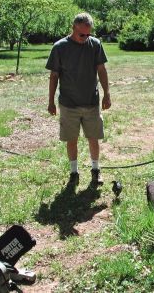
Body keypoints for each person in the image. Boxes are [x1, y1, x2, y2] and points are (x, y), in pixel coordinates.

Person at [46, 13, 111, 187]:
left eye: (88, 34)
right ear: (73, 28)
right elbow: (54, 76)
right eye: (82, 34)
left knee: (93, 138)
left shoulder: (95, 45)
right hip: (69, 104)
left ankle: (96, 170)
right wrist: (51, 101)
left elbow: (101, 70)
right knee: (71, 139)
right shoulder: (60, 47)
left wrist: (107, 94)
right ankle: (74, 173)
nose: (86, 38)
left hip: (91, 102)